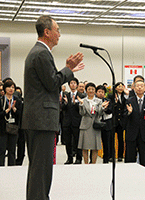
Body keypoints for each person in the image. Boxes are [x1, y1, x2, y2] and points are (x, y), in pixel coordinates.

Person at [22, 15, 84, 200]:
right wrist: (68, 70)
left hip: (38, 119)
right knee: (41, 170)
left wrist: (65, 70)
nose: (59, 34)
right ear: (47, 32)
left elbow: (48, 82)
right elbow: (52, 82)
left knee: (38, 170)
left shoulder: (40, 52)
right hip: (41, 120)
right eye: (57, 30)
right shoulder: (41, 53)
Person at [124, 80, 145, 168]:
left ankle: (144, 175)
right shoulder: (129, 100)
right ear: (134, 88)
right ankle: (129, 173)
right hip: (132, 132)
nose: (139, 88)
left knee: (144, 157)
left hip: (144, 133)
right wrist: (129, 112)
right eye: (137, 86)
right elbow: (124, 116)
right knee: (130, 156)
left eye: (141, 86)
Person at [77, 83, 104, 164]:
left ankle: (93, 164)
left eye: (92, 89)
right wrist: (81, 105)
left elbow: (100, 113)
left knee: (95, 147)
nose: (91, 91)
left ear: (95, 91)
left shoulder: (99, 101)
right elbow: (82, 113)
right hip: (85, 126)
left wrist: (102, 107)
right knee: (84, 147)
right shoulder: (83, 100)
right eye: (89, 89)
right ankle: (86, 163)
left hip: (95, 126)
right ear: (86, 90)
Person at [62, 77, 86, 165]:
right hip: (67, 122)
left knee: (77, 141)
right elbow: (62, 108)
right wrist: (65, 103)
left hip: (77, 121)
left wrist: (75, 103)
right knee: (67, 141)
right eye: (71, 83)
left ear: (77, 85)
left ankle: (79, 158)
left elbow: (82, 109)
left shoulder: (82, 95)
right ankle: (69, 158)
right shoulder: (66, 95)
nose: (73, 84)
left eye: (74, 83)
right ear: (69, 85)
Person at [0, 80, 22, 166]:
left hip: (13, 128)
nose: (11, 89)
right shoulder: (1, 100)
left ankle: (11, 168)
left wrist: (14, 109)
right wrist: (6, 111)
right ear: (5, 89)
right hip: (2, 128)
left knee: (12, 151)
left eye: (13, 87)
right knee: (1, 150)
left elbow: (20, 114)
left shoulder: (17, 101)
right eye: (9, 87)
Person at [109, 82, 127, 162]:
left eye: (122, 86)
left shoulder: (125, 96)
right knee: (112, 139)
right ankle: (111, 155)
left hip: (121, 121)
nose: (120, 88)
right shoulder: (111, 96)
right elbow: (109, 108)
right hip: (113, 121)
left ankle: (120, 156)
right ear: (115, 88)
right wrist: (115, 103)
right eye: (118, 86)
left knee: (121, 139)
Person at [96, 85, 113, 163]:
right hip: (95, 124)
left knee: (106, 143)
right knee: (94, 143)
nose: (100, 93)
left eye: (102, 92)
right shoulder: (93, 101)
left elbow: (110, 110)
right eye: (99, 92)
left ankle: (106, 159)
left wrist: (105, 108)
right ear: (96, 92)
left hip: (106, 124)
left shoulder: (107, 100)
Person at [15, 86, 26, 166]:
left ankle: (19, 159)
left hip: (22, 125)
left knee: (21, 143)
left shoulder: (23, 102)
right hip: (14, 124)